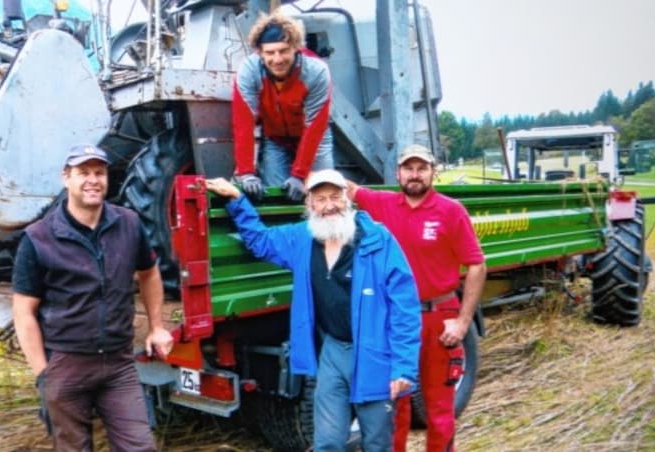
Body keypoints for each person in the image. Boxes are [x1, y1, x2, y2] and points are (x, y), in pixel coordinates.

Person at [205, 169, 421, 451]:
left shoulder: (377, 240)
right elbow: (260, 241)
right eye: (320, 199)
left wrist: (404, 367)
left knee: (378, 442)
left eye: (335, 197)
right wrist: (236, 198)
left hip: (375, 353)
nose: (329, 205)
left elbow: (405, 308)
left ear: (347, 199)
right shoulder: (302, 239)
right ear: (309, 205)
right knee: (327, 442)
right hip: (333, 352)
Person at [12, 144, 174, 452]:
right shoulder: (39, 237)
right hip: (66, 365)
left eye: (99, 173)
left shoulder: (128, 223)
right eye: (83, 173)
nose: (93, 180)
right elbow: (23, 312)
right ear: (66, 178)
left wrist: (156, 326)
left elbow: (150, 271)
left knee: (140, 447)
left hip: (118, 364)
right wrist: (43, 374)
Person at [346, 144, 487, 452]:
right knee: (396, 405)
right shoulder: (383, 204)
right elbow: (350, 189)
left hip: (438, 318)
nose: (414, 175)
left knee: (438, 409)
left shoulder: (451, 211)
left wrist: (463, 322)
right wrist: (309, 177)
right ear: (398, 173)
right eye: (408, 168)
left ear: (433, 172)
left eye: (421, 168)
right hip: (395, 320)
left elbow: (477, 263)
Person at [232, 11, 334, 202]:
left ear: (296, 48)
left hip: (314, 138)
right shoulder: (248, 71)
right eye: (270, 52)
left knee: (324, 192)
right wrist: (246, 173)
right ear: (259, 53)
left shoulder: (316, 71)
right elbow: (243, 123)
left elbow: (315, 126)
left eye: (283, 50)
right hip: (275, 139)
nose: (277, 59)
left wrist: (300, 175)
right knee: (276, 197)